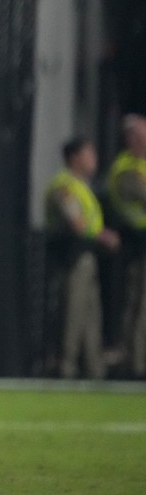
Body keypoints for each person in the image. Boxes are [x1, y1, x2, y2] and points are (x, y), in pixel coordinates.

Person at [45, 137, 119, 380]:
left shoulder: (83, 186)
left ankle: (94, 371)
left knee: (91, 318)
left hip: (88, 257)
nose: (93, 159)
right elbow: (77, 223)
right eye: (89, 153)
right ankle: (66, 369)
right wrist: (103, 236)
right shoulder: (64, 186)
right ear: (75, 158)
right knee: (72, 316)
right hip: (72, 258)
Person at [107, 114, 146, 379]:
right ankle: (136, 363)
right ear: (131, 138)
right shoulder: (127, 169)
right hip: (139, 244)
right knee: (140, 305)